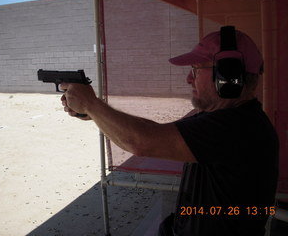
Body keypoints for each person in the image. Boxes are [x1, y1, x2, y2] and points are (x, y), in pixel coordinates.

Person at [60, 27, 279, 236]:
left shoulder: (237, 126)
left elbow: (141, 141)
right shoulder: (231, 119)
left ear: (228, 76)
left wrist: (91, 104)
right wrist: (95, 114)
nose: (188, 79)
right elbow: (156, 133)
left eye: (196, 69)